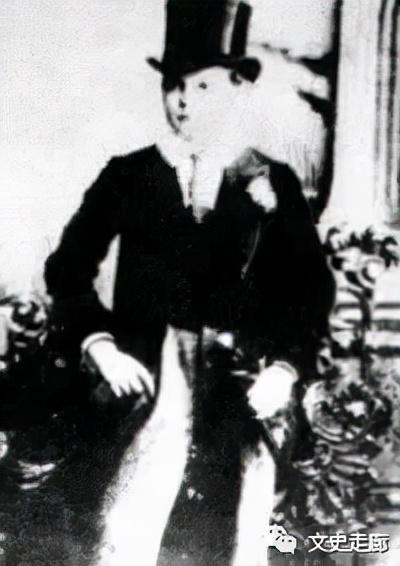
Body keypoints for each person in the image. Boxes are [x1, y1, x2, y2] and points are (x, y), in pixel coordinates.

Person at [44, 1, 335, 564]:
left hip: (238, 383)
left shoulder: (271, 181)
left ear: (236, 88)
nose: (183, 101)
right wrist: (101, 347)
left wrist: (285, 367)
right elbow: (67, 270)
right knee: (127, 525)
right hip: (150, 381)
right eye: (174, 85)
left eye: (202, 87)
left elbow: (310, 289)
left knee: (234, 532)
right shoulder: (129, 175)